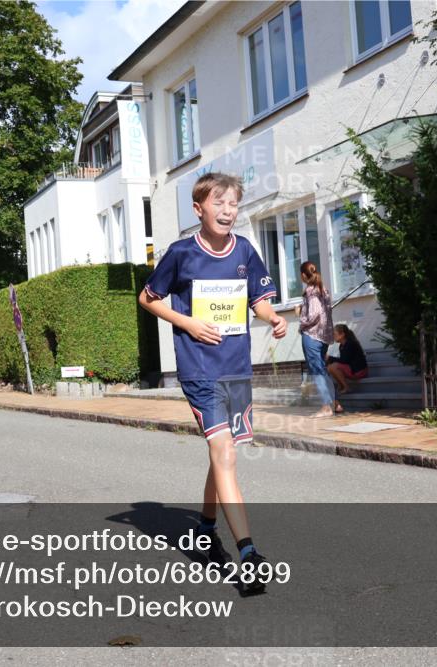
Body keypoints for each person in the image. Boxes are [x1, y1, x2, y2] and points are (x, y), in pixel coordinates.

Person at [138, 172, 286, 597]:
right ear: (198, 209)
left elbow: (257, 299)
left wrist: (274, 318)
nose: (227, 211)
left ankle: (204, 528)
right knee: (222, 450)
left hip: (236, 367)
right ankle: (248, 552)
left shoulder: (244, 249)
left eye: (233, 204)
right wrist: (188, 323)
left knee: (221, 449)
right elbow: (148, 298)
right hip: (199, 368)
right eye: (218, 203)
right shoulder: (181, 253)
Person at [296, 261, 336, 418]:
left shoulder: (311, 291)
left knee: (317, 371)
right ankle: (334, 403)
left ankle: (326, 406)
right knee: (322, 369)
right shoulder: (323, 290)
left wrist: (301, 319)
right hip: (324, 336)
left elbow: (314, 314)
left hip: (312, 336)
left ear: (304, 275)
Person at [327, 324, 368, 414]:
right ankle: (341, 385)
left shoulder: (350, 344)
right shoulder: (342, 346)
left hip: (359, 370)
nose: (333, 336)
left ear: (342, 335)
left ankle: (346, 387)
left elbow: (344, 360)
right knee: (330, 367)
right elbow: (343, 361)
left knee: (333, 366)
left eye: (334, 334)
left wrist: (329, 358)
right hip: (351, 369)